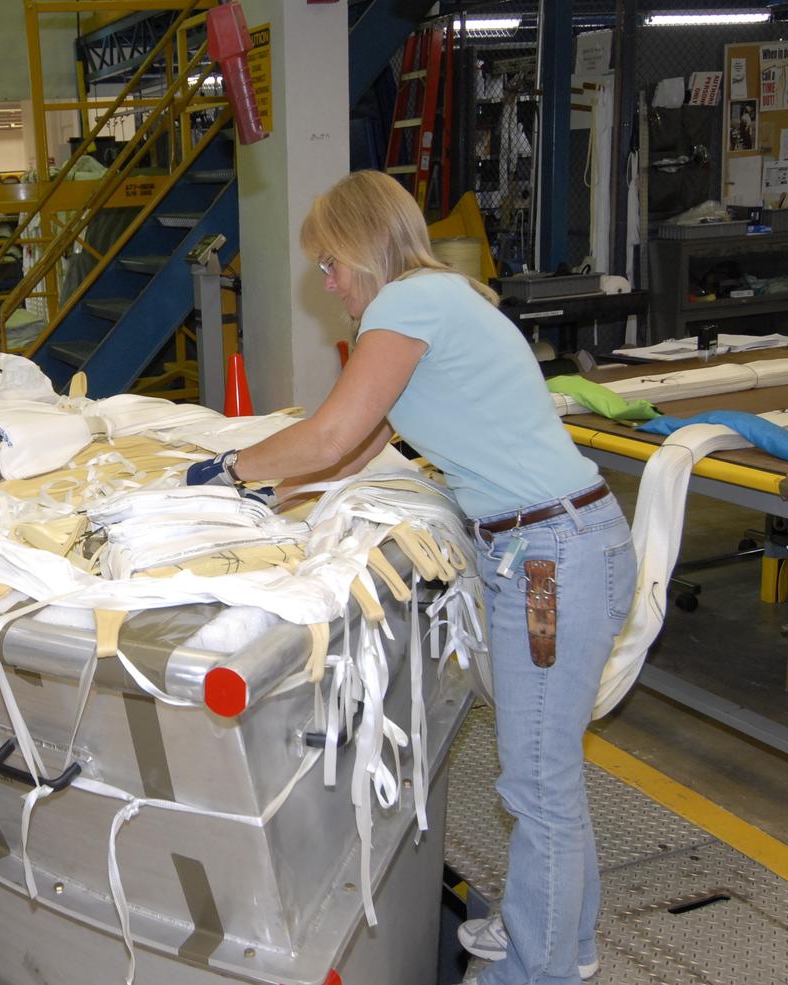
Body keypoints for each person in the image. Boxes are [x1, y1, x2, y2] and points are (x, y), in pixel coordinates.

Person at [187, 170, 636, 985]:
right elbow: (360, 446)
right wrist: (270, 500)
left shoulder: (405, 305)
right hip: (557, 548)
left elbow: (330, 433)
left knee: (538, 782)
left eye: (329, 264)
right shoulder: (440, 300)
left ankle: (541, 971)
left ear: (362, 251)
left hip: (548, 561)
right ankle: (565, 938)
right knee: (548, 771)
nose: (326, 284)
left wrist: (229, 468)